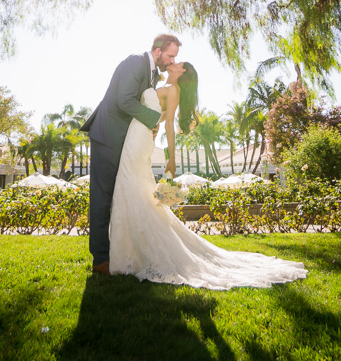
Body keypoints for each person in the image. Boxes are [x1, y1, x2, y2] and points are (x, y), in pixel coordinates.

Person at [108, 61, 308, 290]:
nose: (173, 62)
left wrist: (171, 158)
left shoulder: (173, 90)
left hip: (137, 141)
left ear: (182, 72)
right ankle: (131, 250)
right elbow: (159, 118)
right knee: (134, 189)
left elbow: (170, 126)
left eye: (178, 62)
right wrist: (153, 128)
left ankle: (132, 253)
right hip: (138, 137)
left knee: (131, 187)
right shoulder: (166, 87)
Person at [81, 34, 179, 275]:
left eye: (174, 57)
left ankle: (119, 252)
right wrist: (154, 119)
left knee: (120, 195)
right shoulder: (135, 62)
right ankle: (101, 259)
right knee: (102, 197)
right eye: (170, 55)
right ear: (157, 51)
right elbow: (124, 101)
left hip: (125, 140)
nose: (172, 60)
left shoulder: (153, 73)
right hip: (107, 135)